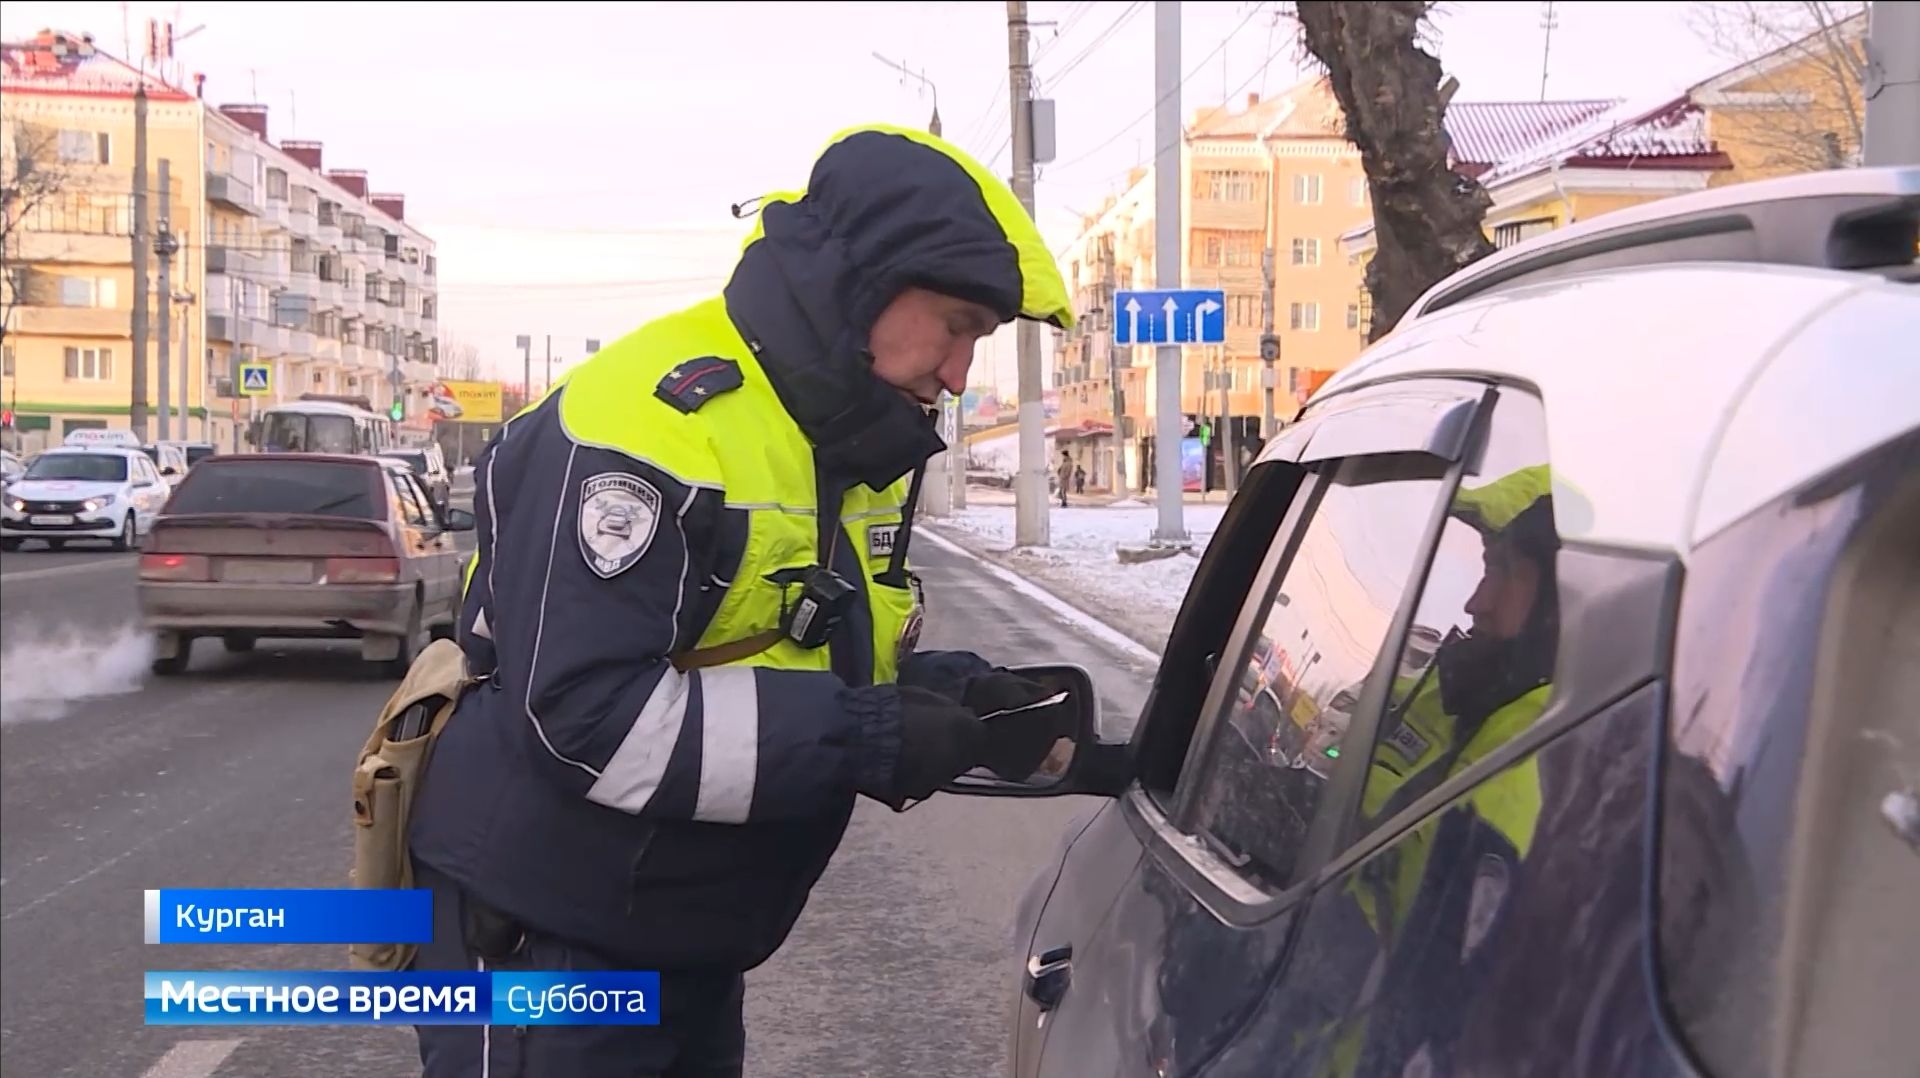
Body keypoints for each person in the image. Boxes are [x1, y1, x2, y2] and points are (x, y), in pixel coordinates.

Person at [404, 124, 1080, 1077]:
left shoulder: (835, 432)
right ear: (864, 284)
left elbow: (770, 644)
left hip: (678, 929)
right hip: (548, 932)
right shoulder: (646, 421)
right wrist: (869, 735)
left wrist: (946, 695)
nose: (964, 372)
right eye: (960, 325)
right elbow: (586, 718)